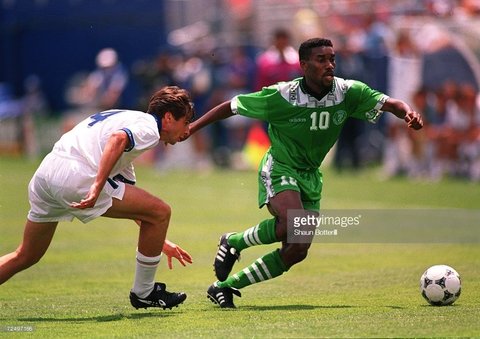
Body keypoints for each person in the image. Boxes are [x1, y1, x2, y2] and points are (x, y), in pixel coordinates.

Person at [183, 38, 423, 308]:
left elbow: (390, 103)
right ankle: (235, 242)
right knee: (293, 222)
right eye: (321, 60)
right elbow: (231, 106)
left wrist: (408, 114)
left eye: (332, 58)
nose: (329, 65)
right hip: (281, 167)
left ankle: (225, 282)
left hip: (310, 175)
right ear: (304, 65)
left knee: (297, 250)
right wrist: (192, 128)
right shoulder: (282, 95)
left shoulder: (348, 92)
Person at [0, 86, 194, 310]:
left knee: (25, 255)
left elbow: (134, 205)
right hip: (75, 175)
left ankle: (145, 292)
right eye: (186, 122)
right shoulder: (149, 130)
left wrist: (158, 240)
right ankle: (144, 293)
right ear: (168, 117)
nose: (187, 130)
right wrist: (96, 187)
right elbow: (117, 139)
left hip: (46, 174)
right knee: (161, 211)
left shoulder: (128, 118)